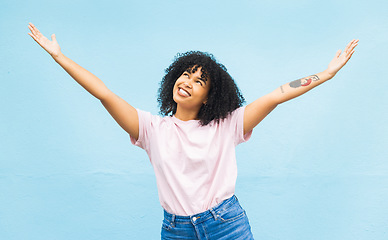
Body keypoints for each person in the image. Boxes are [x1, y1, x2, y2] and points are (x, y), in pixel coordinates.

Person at [28, 22, 358, 239]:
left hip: (226, 224)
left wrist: (325, 75)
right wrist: (60, 57)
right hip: (176, 229)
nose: (188, 82)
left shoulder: (227, 125)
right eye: (186, 74)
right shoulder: (151, 129)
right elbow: (104, 93)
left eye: (199, 81)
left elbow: (277, 94)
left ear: (209, 96)